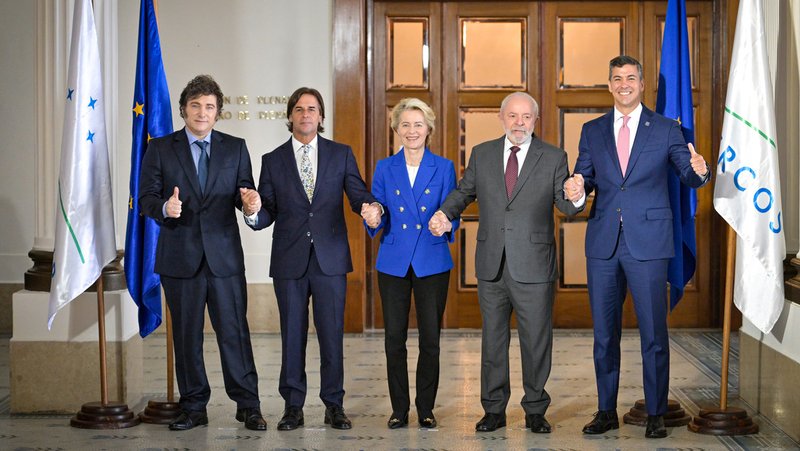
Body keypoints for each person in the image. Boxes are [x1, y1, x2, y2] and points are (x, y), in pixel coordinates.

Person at [566, 55, 709, 439]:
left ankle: (657, 413)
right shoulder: (592, 130)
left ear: (642, 84)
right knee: (604, 334)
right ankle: (605, 411)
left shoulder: (665, 129)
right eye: (617, 78)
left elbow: (688, 173)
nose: (624, 84)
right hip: (603, 244)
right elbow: (586, 177)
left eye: (631, 78)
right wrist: (578, 190)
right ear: (609, 84)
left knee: (652, 332)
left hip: (649, 242)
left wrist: (700, 170)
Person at [429, 92, 583, 434]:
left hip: (535, 265)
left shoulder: (554, 157)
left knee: (536, 340)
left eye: (526, 117)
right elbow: (463, 192)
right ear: (502, 118)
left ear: (535, 121)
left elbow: (567, 205)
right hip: (491, 264)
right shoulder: (482, 154)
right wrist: (444, 212)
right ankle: (494, 409)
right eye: (513, 116)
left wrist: (577, 194)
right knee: (493, 340)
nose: (519, 123)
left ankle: (535, 410)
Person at [247, 87, 381, 431]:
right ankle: (293, 407)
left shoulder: (340, 154)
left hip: (330, 260)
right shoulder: (273, 160)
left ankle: (333, 405)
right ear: (290, 115)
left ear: (321, 117)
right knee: (292, 335)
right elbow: (267, 212)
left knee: (331, 336)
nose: (306, 114)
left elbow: (358, 194)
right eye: (300, 108)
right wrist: (253, 212)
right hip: (289, 261)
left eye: (313, 109)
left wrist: (371, 208)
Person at [139, 75, 266, 431]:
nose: (202, 112)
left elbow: (246, 195)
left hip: (224, 259)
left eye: (209, 106)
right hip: (180, 259)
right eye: (195, 105)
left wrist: (252, 204)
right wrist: (165, 208)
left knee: (234, 333)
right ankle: (194, 407)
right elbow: (146, 198)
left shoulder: (235, 147)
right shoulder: (161, 148)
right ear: (183, 110)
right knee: (187, 336)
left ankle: (249, 405)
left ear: (218, 112)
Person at [366, 98, 459, 429]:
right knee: (394, 338)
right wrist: (373, 215)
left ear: (429, 129)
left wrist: (447, 223)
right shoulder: (384, 167)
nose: (412, 130)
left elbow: (453, 209)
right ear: (395, 130)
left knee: (430, 339)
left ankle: (426, 408)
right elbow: (377, 209)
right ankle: (399, 408)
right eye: (405, 124)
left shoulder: (444, 167)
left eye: (418, 124)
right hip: (393, 262)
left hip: (431, 260)